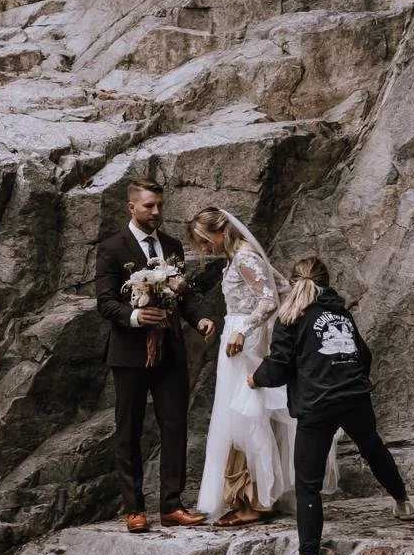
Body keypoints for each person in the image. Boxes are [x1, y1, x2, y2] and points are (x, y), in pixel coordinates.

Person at [248, 255, 414, 555]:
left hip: (317, 404)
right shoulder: (340, 313)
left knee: (307, 482)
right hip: (354, 396)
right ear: (326, 280)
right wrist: (349, 380)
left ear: (294, 281)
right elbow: (364, 356)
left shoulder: (290, 317)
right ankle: (402, 502)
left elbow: (278, 367)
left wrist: (256, 378)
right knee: (372, 447)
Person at [95, 178, 216, 533]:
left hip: (170, 350)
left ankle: (172, 505)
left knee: (175, 426)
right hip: (130, 353)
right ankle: (134, 509)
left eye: (160, 205)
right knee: (129, 430)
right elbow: (104, 302)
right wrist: (134, 317)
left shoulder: (172, 245)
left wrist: (200, 319)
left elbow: (183, 295)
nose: (156, 212)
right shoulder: (111, 248)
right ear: (131, 207)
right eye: (149, 206)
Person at [187, 206, 294, 528]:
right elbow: (284, 287)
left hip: (244, 344)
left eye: (206, 241)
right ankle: (251, 494)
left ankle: (255, 500)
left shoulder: (245, 257)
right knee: (240, 418)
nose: (205, 249)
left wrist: (245, 330)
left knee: (248, 418)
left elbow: (270, 300)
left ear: (221, 231)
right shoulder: (238, 258)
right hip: (238, 341)